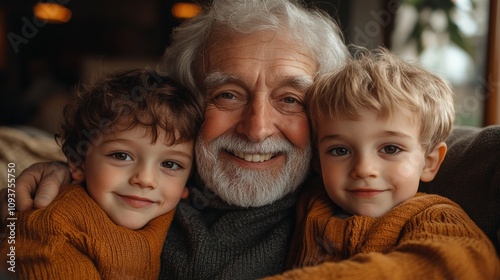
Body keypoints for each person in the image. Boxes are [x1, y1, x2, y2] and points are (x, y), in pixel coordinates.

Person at [3, 0, 499, 279]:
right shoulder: (130, 191)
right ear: (189, 104)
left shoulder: (359, 209)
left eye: (290, 99)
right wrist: (37, 178)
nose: (257, 128)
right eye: (227, 94)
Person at [265, 47, 500, 279]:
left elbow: (462, 265)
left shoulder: (433, 215)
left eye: (390, 149)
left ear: (429, 162)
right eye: (340, 150)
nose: (364, 169)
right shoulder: (312, 200)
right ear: (317, 160)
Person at [0, 69, 204, 279]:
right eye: (121, 156)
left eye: (170, 164)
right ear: (78, 163)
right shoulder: (53, 227)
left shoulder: (168, 209)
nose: (145, 179)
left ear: (187, 183)